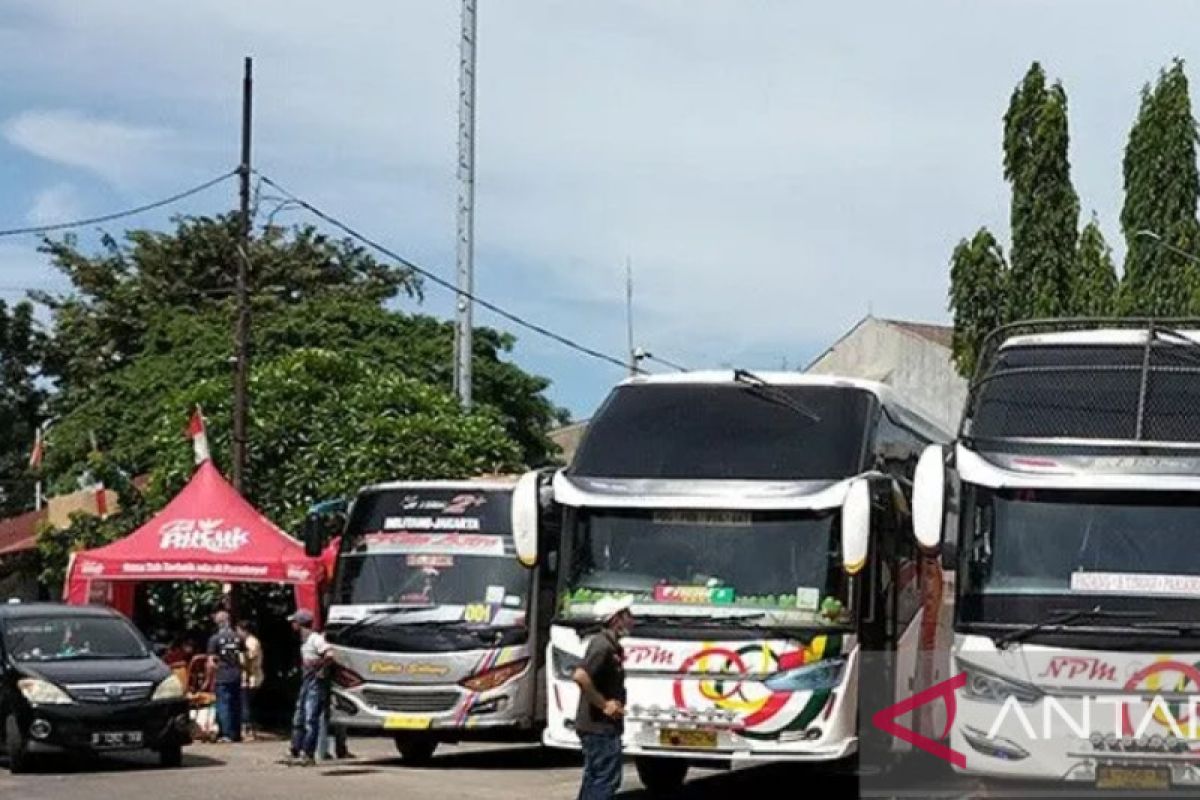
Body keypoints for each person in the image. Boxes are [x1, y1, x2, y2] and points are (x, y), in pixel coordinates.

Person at [573, 596, 634, 800]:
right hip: (598, 728)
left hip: (602, 727)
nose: (632, 619)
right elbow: (580, 676)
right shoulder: (602, 646)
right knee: (605, 780)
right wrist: (604, 704)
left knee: (595, 778)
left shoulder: (611, 645)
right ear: (616, 619)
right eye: (627, 615)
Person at [287, 609, 332, 766]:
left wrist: (319, 668)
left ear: (300, 624)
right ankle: (295, 750)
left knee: (310, 718)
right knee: (299, 715)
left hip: (314, 682)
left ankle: (308, 753)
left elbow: (329, 654)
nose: (292, 625)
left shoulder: (315, 639)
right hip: (306, 681)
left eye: (294, 622)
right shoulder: (304, 640)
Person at [207, 610, 244, 743]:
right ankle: (236, 733)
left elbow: (211, 661)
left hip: (222, 675)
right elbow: (243, 655)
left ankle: (226, 734)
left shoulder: (214, 639)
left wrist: (209, 679)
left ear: (218, 623)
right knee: (235, 704)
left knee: (223, 705)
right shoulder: (238, 637)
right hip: (236, 674)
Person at [236, 620, 264, 742]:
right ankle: (248, 729)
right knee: (246, 704)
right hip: (247, 677)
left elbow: (249, 659)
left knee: (246, 705)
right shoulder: (247, 641)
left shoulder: (252, 642)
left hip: (251, 678)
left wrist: (240, 654)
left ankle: (247, 730)